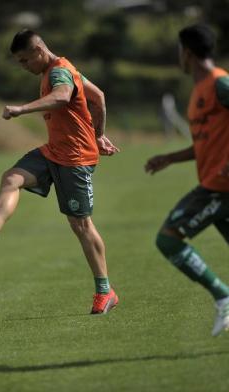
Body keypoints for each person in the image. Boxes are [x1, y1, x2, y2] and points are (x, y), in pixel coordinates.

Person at [0, 29, 120, 314]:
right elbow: (98, 97)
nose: (24, 67)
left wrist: (21, 109)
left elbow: (63, 97)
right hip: (54, 151)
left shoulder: (58, 74)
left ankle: (105, 292)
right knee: (11, 178)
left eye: (25, 60)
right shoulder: (65, 68)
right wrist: (98, 134)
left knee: (80, 225)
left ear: (39, 51)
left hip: (75, 159)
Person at [145, 24, 229, 336]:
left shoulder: (220, 84)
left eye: (179, 51)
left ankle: (222, 295)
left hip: (219, 188)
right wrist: (169, 158)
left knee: (168, 238)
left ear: (188, 53)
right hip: (215, 184)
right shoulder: (198, 92)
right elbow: (206, 143)